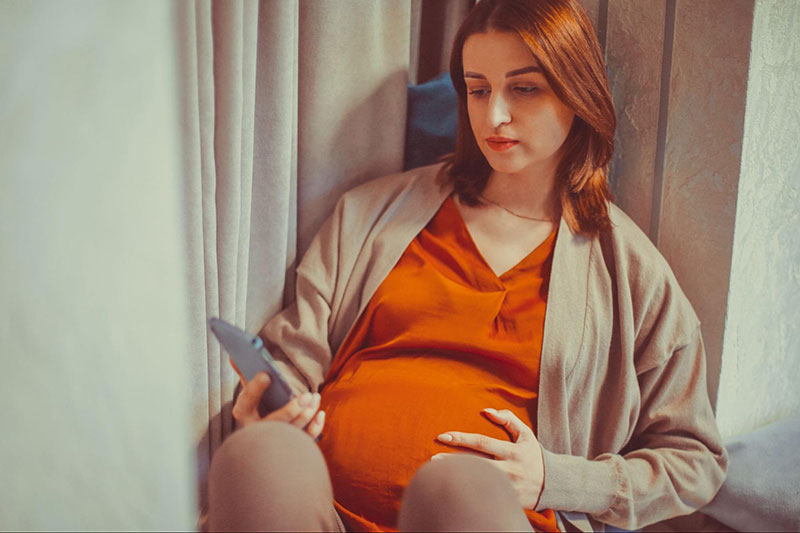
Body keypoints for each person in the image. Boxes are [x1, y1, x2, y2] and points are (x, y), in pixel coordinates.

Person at [207, 0, 728, 531]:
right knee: (258, 453)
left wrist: (555, 479)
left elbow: (695, 462)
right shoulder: (370, 213)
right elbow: (293, 360)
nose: (494, 115)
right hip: (326, 513)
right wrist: (272, 405)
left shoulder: (631, 271)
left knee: (456, 485)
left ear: (578, 93)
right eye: (478, 90)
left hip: (483, 514)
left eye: (524, 88)